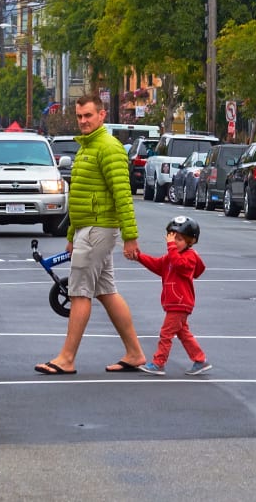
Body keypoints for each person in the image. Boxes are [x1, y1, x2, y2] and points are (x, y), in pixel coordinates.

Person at [34, 93, 146, 376]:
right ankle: (135, 353)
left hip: (99, 228)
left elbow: (123, 195)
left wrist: (131, 237)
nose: (83, 121)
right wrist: (72, 235)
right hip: (87, 229)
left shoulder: (109, 148)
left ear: (102, 115)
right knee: (106, 291)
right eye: (80, 116)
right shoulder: (87, 147)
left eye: (88, 116)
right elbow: (79, 198)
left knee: (79, 291)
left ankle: (67, 358)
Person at [135, 216, 211, 377]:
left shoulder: (189, 256)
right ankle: (200, 360)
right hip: (174, 302)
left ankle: (158, 363)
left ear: (190, 241)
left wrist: (170, 246)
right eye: (172, 238)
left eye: (179, 239)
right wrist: (139, 257)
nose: (174, 242)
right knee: (183, 333)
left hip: (180, 303)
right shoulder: (172, 255)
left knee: (166, 333)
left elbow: (179, 265)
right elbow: (157, 265)